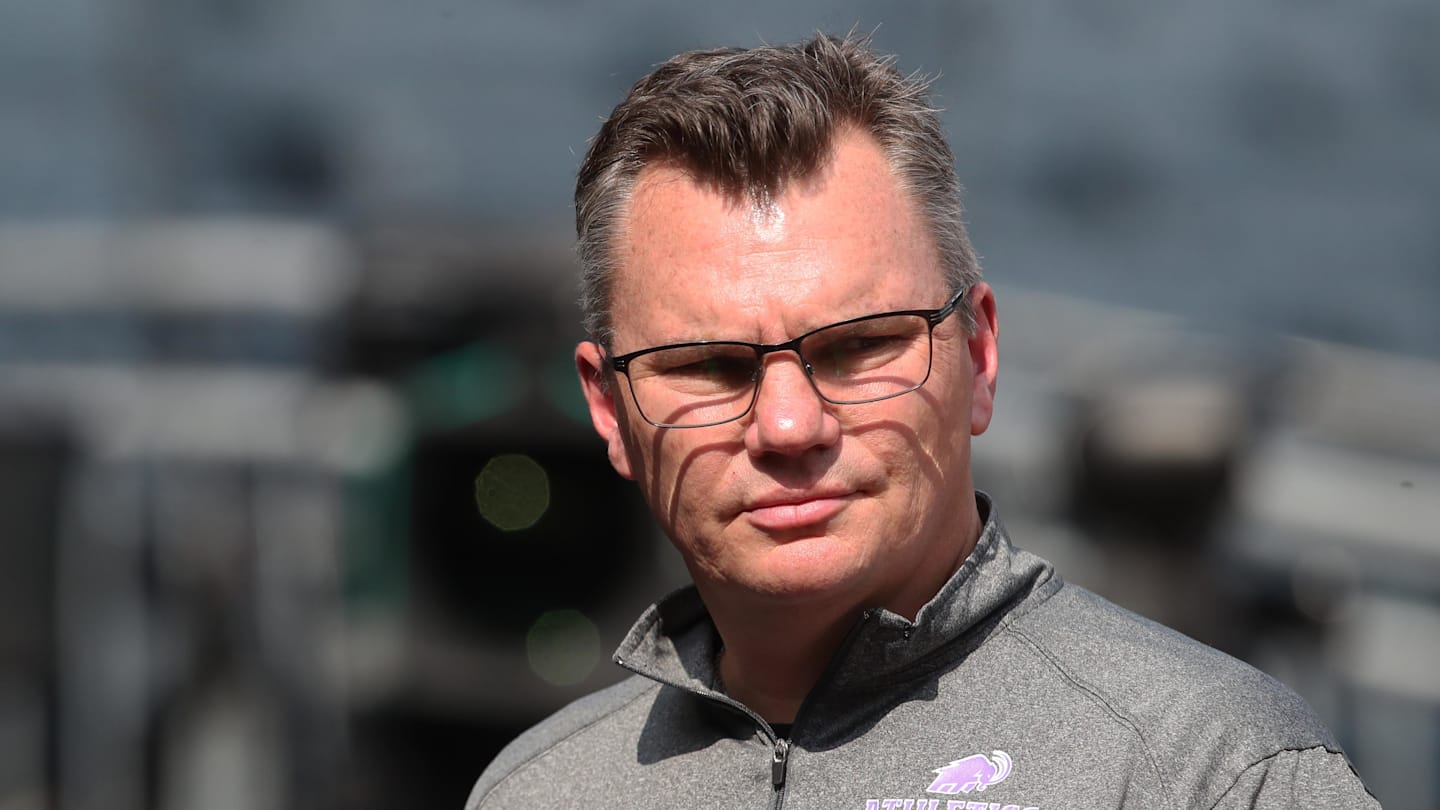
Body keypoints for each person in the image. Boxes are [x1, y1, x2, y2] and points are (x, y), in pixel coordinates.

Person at [467, 33, 1378, 809]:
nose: (788, 426)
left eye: (858, 348)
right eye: (708, 366)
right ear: (610, 410)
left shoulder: (1209, 773)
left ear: (978, 356)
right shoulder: (537, 791)